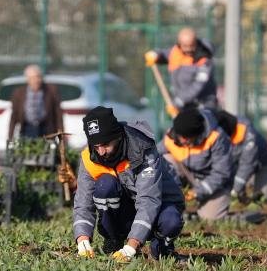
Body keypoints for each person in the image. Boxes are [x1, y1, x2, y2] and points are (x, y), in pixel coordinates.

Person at [73, 106, 185, 261]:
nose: (101, 152)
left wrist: (132, 246)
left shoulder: (143, 149)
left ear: (117, 137)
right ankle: (114, 239)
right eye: (96, 146)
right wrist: (82, 240)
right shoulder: (89, 157)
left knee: (171, 221)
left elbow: (149, 201)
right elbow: (83, 202)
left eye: (105, 145)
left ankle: (161, 248)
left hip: (158, 206)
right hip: (126, 210)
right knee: (105, 186)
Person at [157, 106, 235, 220]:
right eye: (180, 136)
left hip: (213, 182)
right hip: (187, 175)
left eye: (185, 138)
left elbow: (221, 173)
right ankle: (172, 206)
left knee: (210, 217)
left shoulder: (217, 137)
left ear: (196, 135)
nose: (181, 140)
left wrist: (196, 192)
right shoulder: (173, 134)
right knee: (165, 159)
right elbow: (155, 153)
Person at [144, 27, 218, 112]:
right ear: (180, 44)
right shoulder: (176, 53)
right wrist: (155, 55)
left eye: (191, 46)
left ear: (195, 42)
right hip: (184, 106)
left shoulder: (204, 59)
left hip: (203, 105)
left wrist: (179, 101)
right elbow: (164, 54)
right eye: (185, 46)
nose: (189, 49)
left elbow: (198, 85)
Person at [214, 110, 267, 204]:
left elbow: (247, 165)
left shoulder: (247, 134)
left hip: (261, 162)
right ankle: (241, 194)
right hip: (236, 164)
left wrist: (236, 189)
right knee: (235, 190)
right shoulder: (220, 133)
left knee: (264, 198)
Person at [7, 64, 63, 140]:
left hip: (46, 128)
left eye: (38, 77)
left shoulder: (51, 91)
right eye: (33, 78)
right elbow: (14, 116)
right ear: (28, 79)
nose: (36, 80)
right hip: (27, 128)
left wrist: (61, 136)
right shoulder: (19, 93)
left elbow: (58, 115)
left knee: (46, 151)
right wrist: (10, 137)